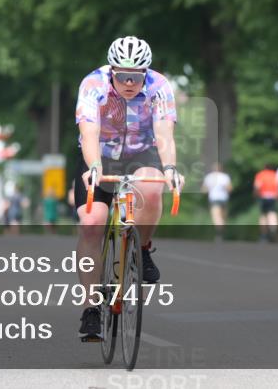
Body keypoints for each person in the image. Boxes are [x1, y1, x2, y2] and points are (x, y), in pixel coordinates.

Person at [75, 36, 183, 342]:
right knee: (91, 222)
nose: (129, 83)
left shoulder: (159, 86)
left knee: (150, 189)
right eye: (122, 76)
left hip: (141, 154)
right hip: (100, 156)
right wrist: (94, 167)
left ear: (146, 74)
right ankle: (91, 306)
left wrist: (171, 168)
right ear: (111, 71)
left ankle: (143, 248)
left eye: (136, 77)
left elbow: (164, 133)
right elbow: (89, 130)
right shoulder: (92, 85)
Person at [201, 162, 232, 240]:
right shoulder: (225, 177)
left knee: (216, 217)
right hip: (224, 198)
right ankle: (222, 232)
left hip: (214, 198)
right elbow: (230, 189)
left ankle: (219, 233)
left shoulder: (209, 177)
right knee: (223, 217)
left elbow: (204, 190)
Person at [254, 164, 278, 242]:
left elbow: (257, 186)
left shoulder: (261, 175)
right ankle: (273, 230)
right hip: (273, 196)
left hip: (263, 196)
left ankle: (263, 235)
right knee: (272, 214)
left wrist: (255, 194)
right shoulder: (275, 175)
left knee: (263, 215)